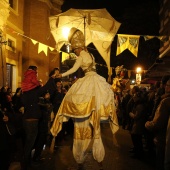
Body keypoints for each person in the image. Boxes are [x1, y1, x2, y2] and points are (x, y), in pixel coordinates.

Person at [50, 27, 119, 170]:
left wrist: (60, 76)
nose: (74, 52)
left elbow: (74, 69)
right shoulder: (91, 56)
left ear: (78, 48)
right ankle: (97, 156)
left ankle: (81, 155)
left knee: (71, 101)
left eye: (74, 50)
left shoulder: (81, 56)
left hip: (88, 81)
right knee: (94, 113)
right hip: (96, 82)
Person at [20, 65, 58, 170]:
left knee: (28, 143)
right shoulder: (34, 91)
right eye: (35, 75)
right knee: (29, 143)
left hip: (27, 120)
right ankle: (26, 164)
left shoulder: (25, 91)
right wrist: (52, 78)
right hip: (32, 121)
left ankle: (26, 162)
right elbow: (45, 88)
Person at [145, 79, 170, 170]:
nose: (165, 87)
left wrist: (147, 124)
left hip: (163, 139)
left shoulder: (165, 101)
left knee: (161, 162)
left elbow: (157, 124)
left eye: (167, 85)